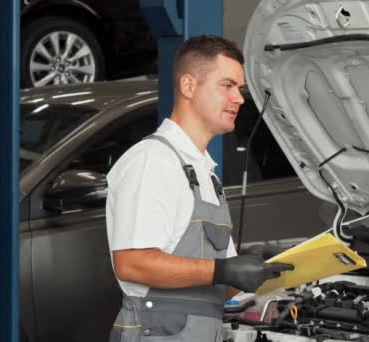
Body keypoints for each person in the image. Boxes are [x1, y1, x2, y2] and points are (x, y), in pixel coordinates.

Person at [105, 35, 293, 342]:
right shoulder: (154, 161)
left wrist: (261, 265)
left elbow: (226, 284)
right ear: (189, 86)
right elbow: (131, 263)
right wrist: (222, 270)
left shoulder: (205, 173)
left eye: (240, 90)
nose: (239, 99)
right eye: (227, 86)